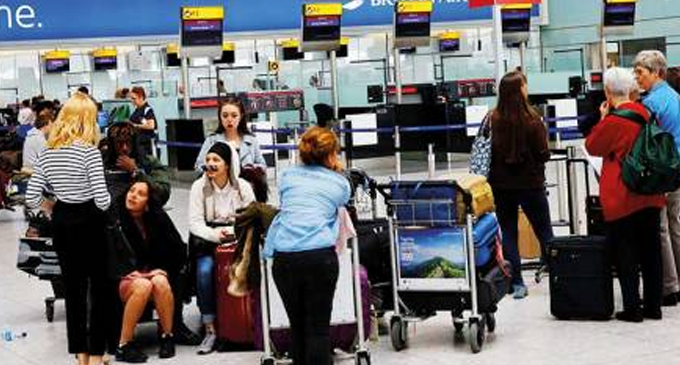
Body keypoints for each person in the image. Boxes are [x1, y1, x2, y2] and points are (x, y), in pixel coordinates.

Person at [25, 92, 111, 365]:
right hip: (91, 223)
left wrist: (51, 207)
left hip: (63, 223)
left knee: (72, 292)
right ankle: (97, 356)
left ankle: (81, 357)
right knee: (98, 291)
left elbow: (31, 198)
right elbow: (102, 199)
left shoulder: (48, 153)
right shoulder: (90, 152)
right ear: (87, 120)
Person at [263, 126, 350, 365]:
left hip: (285, 260)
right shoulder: (339, 184)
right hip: (319, 258)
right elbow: (341, 202)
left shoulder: (287, 177)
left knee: (298, 328)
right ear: (331, 154)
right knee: (319, 331)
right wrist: (335, 170)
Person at [586, 67, 666, 322]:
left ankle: (632, 308)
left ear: (608, 92)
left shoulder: (613, 121)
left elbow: (592, 146)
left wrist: (601, 119)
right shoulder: (646, 113)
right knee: (651, 252)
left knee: (625, 253)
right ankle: (654, 306)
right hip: (651, 193)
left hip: (622, 195)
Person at [486, 70, 553, 299]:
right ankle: (561, 275)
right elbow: (544, 154)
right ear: (519, 91)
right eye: (525, 85)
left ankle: (516, 284)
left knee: (508, 233)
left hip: (501, 187)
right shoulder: (533, 120)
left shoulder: (492, 119)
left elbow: (486, 152)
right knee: (544, 231)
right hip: (531, 185)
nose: (527, 89)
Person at [188, 142, 255, 355]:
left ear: (228, 165)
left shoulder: (242, 186)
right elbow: (194, 222)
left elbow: (253, 216)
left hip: (239, 239)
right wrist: (216, 235)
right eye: (208, 160)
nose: (210, 164)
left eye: (216, 160)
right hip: (208, 240)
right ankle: (209, 328)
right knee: (205, 271)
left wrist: (234, 234)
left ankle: (249, 322)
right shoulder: (199, 187)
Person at [114, 178, 187, 362]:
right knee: (143, 286)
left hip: (150, 273)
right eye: (132, 191)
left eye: (140, 194)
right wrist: (130, 270)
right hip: (123, 276)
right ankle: (124, 345)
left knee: (160, 282)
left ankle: (167, 336)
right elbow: (105, 253)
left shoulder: (157, 217)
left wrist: (163, 269)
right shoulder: (113, 217)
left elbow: (178, 249)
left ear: (148, 203)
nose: (133, 196)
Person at [634, 50, 680, 306]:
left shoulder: (651, 104)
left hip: (663, 172)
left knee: (660, 228)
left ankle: (668, 287)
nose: (637, 77)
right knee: (676, 225)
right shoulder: (674, 96)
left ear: (656, 73)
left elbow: (645, 143)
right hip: (678, 167)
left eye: (641, 73)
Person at [102, 122, 171, 209]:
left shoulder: (149, 162)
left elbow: (163, 194)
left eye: (128, 142)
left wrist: (136, 172)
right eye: (119, 143)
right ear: (112, 145)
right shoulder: (102, 163)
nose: (125, 148)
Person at [194, 98, 266, 173]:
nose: (229, 119)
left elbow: (263, 165)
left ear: (241, 116)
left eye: (234, 116)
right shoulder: (212, 140)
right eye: (225, 116)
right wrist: (217, 169)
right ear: (220, 117)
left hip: (246, 183)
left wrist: (250, 168)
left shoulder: (251, 140)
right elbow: (199, 166)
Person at [128, 87, 157, 157]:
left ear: (141, 97)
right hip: (138, 144)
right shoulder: (137, 110)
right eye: (131, 98)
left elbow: (151, 126)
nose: (132, 101)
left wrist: (135, 125)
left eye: (134, 98)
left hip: (146, 145)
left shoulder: (147, 110)